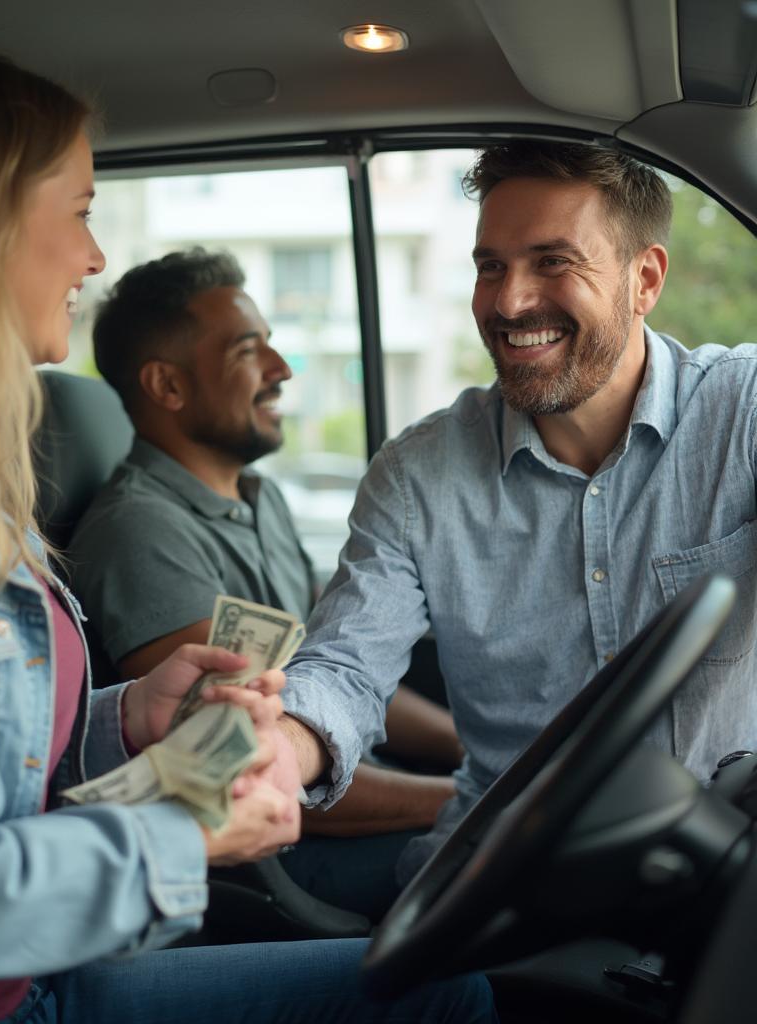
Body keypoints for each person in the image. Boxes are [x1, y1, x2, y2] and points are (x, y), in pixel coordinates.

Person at [0, 41, 497, 1024]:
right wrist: (192, 833)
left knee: (443, 989)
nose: (96, 257)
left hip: (21, 975)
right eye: (82, 212)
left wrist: (128, 719)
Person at [275, 139, 757, 884]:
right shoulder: (417, 476)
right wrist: (281, 746)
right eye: (490, 266)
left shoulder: (743, 410)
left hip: (720, 861)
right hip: (513, 880)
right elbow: (343, 667)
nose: (508, 301)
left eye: (553, 262)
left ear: (645, 279)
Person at [69, 248, 460, 920]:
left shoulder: (261, 498)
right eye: (250, 351)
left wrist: (470, 748)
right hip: (288, 856)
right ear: (167, 386)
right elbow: (242, 766)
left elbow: (341, 674)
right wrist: (466, 796)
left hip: (339, 788)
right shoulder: (138, 533)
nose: (280, 370)